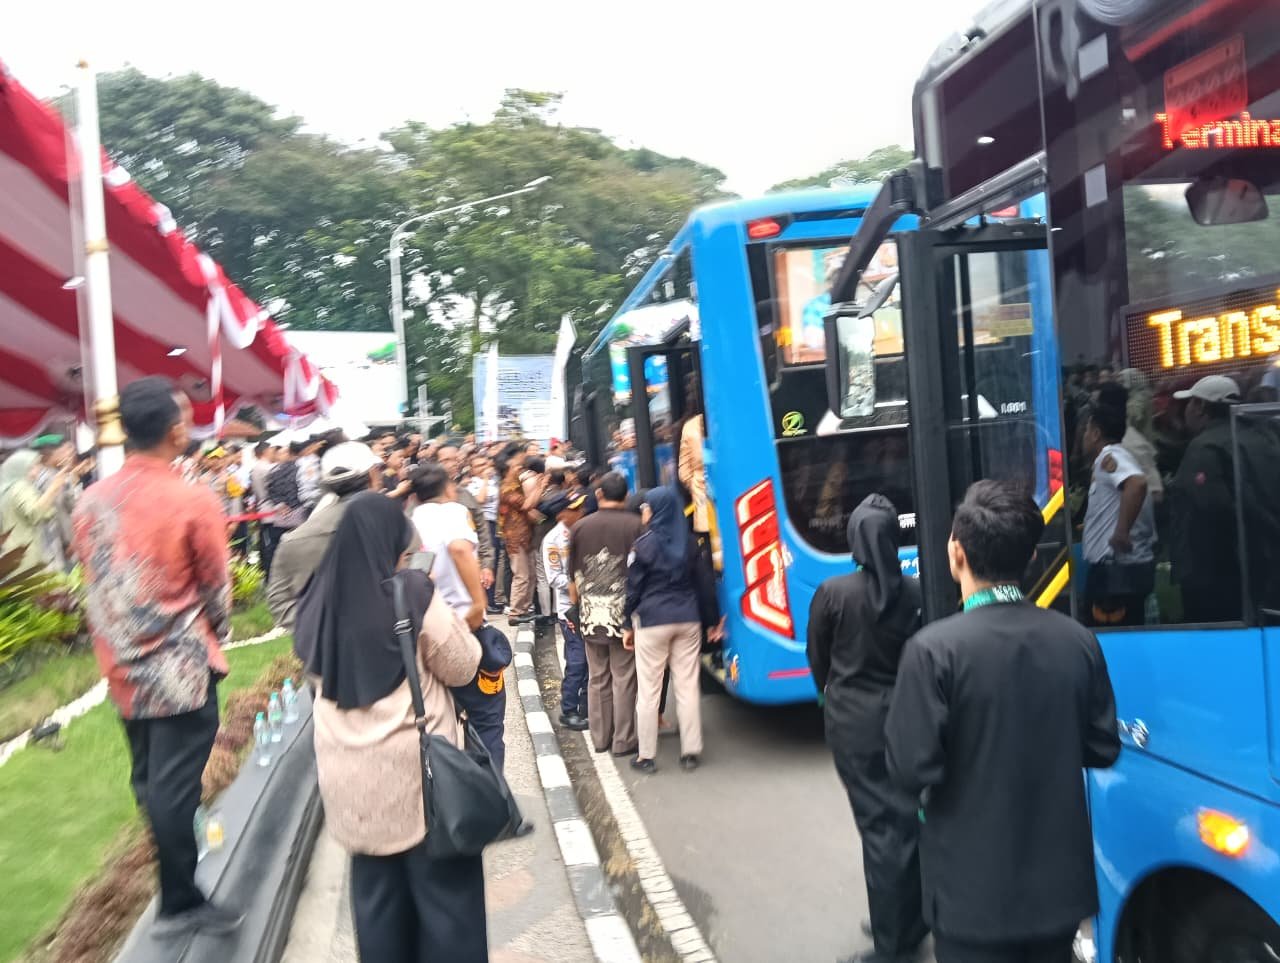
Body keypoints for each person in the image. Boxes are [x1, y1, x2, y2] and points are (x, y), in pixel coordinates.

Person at [885, 480, 1120, 963]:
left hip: (970, 899)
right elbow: (1102, 748)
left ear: (956, 554)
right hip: (1059, 895)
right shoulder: (1077, 640)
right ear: (1031, 556)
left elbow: (909, 770)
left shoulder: (932, 651)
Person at [71, 378, 240, 935]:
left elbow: (95, 582)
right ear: (175, 431)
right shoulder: (193, 498)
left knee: (150, 781)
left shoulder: (91, 500)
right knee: (173, 790)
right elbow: (216, 588)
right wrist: (216, 633)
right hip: (179, 671)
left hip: (122, 667)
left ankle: (175, 891)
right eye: (184, 418)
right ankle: (179, 902)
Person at [293, 492, 487, 963]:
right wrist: (433, 595)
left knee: (378, 907)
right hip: (422, 786)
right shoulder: (411, 593)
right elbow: (463, 666)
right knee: (448, 910)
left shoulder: (314, 603)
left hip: (351, 786)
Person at [807, 494, 926, 963]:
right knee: (908, 822)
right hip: (908, 718)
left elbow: (818, 659)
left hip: (853, 724)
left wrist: (829, 694)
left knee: (879, 831)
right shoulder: (916, 591)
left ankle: (892, 945)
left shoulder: (833, 593)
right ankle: (907, 919)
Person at [624, 487, 721, 773]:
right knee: (687, 686)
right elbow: (705, 586)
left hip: (652, 621)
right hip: (688, 619)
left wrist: (626, 622)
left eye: (647, 507)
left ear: (657, 510)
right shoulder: (690, 543)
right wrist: (711, 622)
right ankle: (690, 751)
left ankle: (646, 756)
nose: (644, 511)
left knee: (649, 690)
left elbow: (633, 590)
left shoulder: (643, 546)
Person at [267, 442, 384, 631]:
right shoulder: (395, 525)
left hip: (321, 643)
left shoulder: (294, 540)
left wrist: (323, 631)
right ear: (372, 476)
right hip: (386, 639)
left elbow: (280, 603)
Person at [569, 472, 642, 756]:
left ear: (599, 495)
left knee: (598, 677)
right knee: (624, 677)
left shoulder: (579, 527)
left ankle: (600, 738)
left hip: (590, 612)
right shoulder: (637, 525)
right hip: (624, 614)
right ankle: (624, 740)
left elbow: (573, 578)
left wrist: (577, 609)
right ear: (626, 495)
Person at [1081, 404, 1156, 627]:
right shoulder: (1116, 457)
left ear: (1096, 433)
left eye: (1086, 430)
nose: (1084, 436)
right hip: (1115, 573)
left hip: (1115, 576)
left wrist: (1121, 532)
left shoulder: (1110, 456)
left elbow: (1137, 484)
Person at [410, 463, 486, 631]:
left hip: (429, 616)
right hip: (461, 613)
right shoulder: (454, 510)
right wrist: (478, 603)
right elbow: (459, 548)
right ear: (448, 489)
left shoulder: (412, 519)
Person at [542, 491, 589, 730]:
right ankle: (569, 709)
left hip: (591, 605)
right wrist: (577, 583)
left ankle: (587, 707)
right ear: (562, 514)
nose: (581, 512)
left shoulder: (585, 530)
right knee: (577, 660)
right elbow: (554, 578)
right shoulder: (553, 540)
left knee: (592, 661)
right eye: (575, 509)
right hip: (569, 610)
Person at [438, 446, 496, 610]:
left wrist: (486, 564)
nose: (452, 464)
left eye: (455, 459)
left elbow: (482, 531)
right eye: (445, 460)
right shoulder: (422, 498)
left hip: (468, 567)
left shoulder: (465, 495)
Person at [1, 448, 71, 575]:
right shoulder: (20, 487)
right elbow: (35, 513)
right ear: (21, 467)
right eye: (34, 466)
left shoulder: (5, 490)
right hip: (27, 560)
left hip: (10, 560)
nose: (38, 470)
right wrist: (54, 487)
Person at [500, 455, 536, 622]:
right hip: (515, 538)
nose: (520, 469)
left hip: (526, 535)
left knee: (531, 575)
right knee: (521, 575)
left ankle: (525, 609)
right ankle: (515, 612)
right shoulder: (507, 489)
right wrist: (540, 486)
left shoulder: (518, 485)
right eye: (516, 467)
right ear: (508, 471)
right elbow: (526, 505)